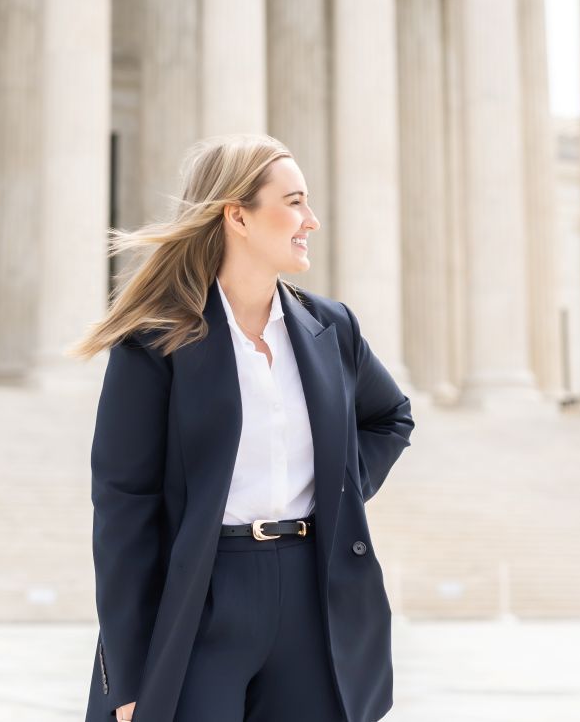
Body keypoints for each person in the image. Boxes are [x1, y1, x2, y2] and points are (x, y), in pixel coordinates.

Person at [66, 133, 415, 722]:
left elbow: (390, 417)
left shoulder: (331, 327)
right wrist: (128, 676)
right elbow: (124, 508)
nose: (313, 219)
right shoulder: (156, 341)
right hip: (205, 598)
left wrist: (340, 489)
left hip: (313, 594)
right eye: (295, 201)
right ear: (237, 216)